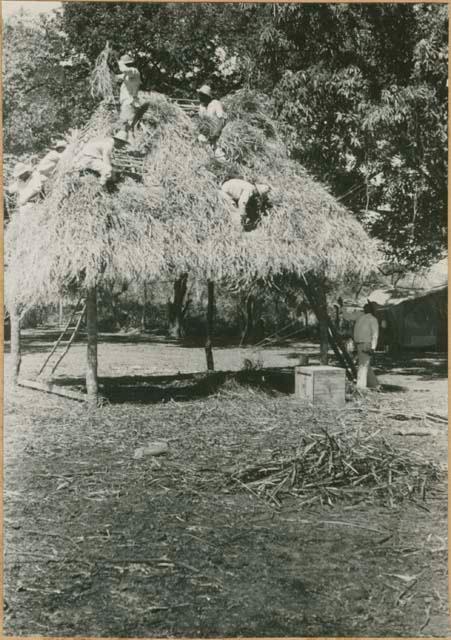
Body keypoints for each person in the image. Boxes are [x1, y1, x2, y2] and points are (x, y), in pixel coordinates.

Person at [116, 54, 148, 134]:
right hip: (127, 103)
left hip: (129, 103)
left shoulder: (134, 71)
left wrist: (119, 63)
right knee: (126, 126)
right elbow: (115, 77)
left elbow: (124, 70)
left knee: (125, 126)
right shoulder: (127, 75)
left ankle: (126, 143)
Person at [353, 302, 380, 389]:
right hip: (359, 344)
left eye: (366, 307)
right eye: (364, 307)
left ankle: (361, 387)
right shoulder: (360, 317)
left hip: (366, 344)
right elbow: (348, 317)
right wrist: (342, 307)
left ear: (370, 309)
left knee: (363, 366)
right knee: (365, 364)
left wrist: (373, 347)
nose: (364, 308)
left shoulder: (372, 319)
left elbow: (375, 335)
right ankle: (375, 384)